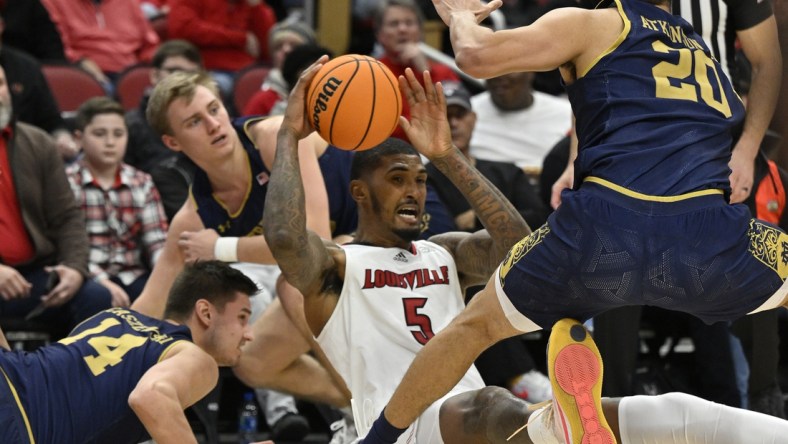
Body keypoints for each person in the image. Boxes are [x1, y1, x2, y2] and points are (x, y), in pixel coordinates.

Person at [358, 0, 788, 442]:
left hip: (603, 235)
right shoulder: (703, 51)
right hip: (706, 245)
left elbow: (475, 56)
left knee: (473, 328)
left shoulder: (591, 24)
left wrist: (462, 19)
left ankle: (375, 441)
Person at [260, 62, 529, 441]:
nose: (414, 193)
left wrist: (446, 155)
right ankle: (550, 426)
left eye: (420, 181)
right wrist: (288, 135)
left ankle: (576, 422)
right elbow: (285, 238)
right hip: (401, 429)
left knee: (611, 412)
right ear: (359, 192)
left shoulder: (445, 253)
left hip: (471, 421)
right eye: (397, 180)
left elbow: (520, 252)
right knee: (493, 404)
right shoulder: (336, 266)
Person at [130, 70, 350, 421]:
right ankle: (358, 411)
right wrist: (88, 350)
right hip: (339, 262)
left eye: (215, 110)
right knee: (253, 361)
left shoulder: (275, 139)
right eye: (194, 122)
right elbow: (147, 308)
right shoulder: (194, 217)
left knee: (296, 286)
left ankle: (385, 415)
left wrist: (221, 248)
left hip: (386, 220)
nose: (214, 124)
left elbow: (315, 243)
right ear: (173, 142)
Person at [0, 260, 273, 444]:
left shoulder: (115, 316)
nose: (249, 333)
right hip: (21, 423)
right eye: (242, 317)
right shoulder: (194, 358)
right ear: (205, 312)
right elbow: (151, 397)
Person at [0, 64, 111, 334]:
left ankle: (75, 377)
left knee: (95, 297)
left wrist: (74, 268)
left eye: (1, 84)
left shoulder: (37, 142)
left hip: (35, 276)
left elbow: (67, 217)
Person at [66, 97, 168, 308]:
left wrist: (161, 282)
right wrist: (101, 280)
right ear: (78, 139)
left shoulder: (142, 182)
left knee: (164, 296)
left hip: (133, 274)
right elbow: (67, 245)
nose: (110, 142)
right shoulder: (67, 182)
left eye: (118, 134)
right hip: (86, 274)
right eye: (99, 134)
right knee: (97, 297)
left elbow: (157, 241)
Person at [374, 0, 460, 141]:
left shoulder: (443, 72)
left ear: (420, 31)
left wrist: (424, 71)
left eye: (409, 23)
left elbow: (454, 118)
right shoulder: (372, 73)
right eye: (393, 24)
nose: (402, 29)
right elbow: (380, 127)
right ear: (379, 34)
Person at [166, 0, 277, 99]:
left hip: (247, 70)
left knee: (272, 90)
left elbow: (267, 49)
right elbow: (183, 29)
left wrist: (257, 8)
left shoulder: (251, 5)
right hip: (207, 69)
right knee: (218, 87)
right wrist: (239, 39)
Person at [41, 0, 160, 92]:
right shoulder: (55, 2)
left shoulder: (129, 2)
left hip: (130, 72)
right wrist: (80, 62)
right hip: (86, 73)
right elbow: (57, 45)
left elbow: (150, 45)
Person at [468, 69, 572, 174]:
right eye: (491, 68)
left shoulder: (567, 113)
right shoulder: (464, 113)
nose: (499, 76)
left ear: (531, 71)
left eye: (509, 68)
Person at [243, 20, 317, 117]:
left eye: (294, 45)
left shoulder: (322, 92)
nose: (286, 50)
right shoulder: (262, 100)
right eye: (278, 47)